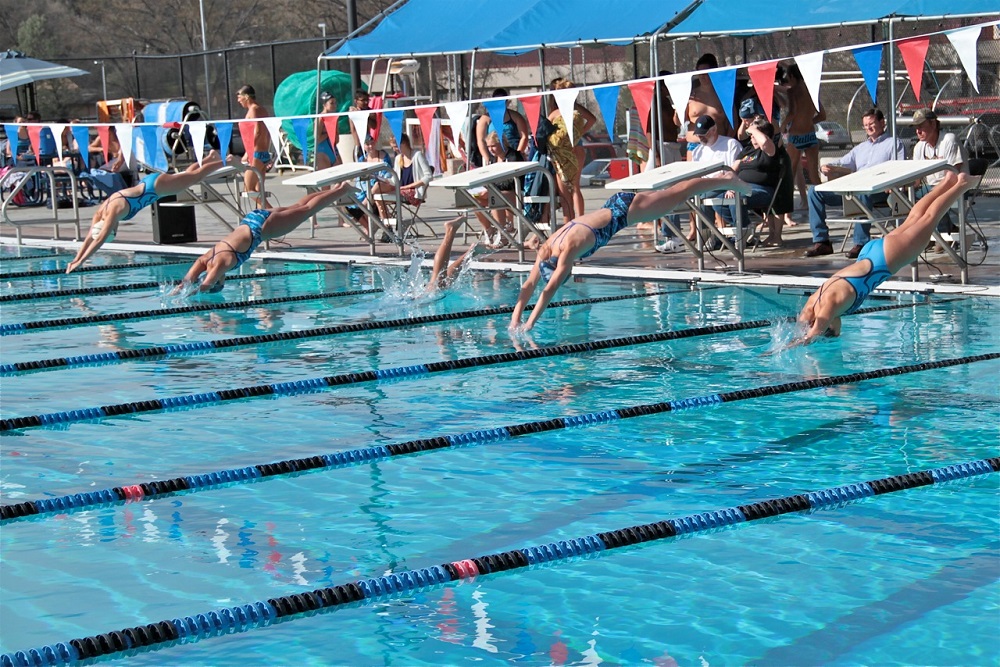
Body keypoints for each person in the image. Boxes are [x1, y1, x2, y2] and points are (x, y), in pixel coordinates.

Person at [509, 174, 753, 331]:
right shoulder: (548, 246)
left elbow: (548, 289)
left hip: (627, 212)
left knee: (680, 192)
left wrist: (530, 324)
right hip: (616, 203)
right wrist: (515, 319)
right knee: (675, 193)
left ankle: (725, 180)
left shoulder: (568, 250)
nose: (570, 273)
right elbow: (529, 285)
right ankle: (723, 180)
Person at [795, 171, 973, 344]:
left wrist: (804, 340)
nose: (840, 328)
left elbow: (813, 334)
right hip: (870, 253)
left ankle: (960, 185)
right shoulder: (811, 305)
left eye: (836, 331)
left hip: (884, 261)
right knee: (914, 217)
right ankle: (946, 183)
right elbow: (803, 325)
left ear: (829, 326)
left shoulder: (828, 308)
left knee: (929, 218)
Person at [66, 150, 235, 273]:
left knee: (196, 176)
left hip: (155, 188)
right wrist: (75, 260)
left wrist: (82, 261)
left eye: (112, 232)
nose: (113, 231)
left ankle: (227, 161)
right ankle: (210, 157)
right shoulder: (100, 213)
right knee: (187, 176)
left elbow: (99, 240)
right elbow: (90, 237)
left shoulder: (112, 213)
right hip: (151, 184)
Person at [178, 184, 356, 293]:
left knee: (307, 210)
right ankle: (338, 188)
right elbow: (187, 281)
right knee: (299, 206)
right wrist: (176, 292)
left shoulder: (220, 265)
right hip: (251, 218)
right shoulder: (205, 259)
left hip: (263, 228)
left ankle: (343, 189)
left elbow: (206, 285)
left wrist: (191, 298)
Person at [804, 108, 907, 259]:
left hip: (879, 191)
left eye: (871, 123)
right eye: (865, 125)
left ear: (882, 122)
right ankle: (822, 241)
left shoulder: (893, 144)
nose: (868, 128)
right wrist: (826, 166)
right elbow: (842, 162)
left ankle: (861, 242)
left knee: (862, 192)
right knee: (814, 191)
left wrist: (893, 184)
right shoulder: (860, 148)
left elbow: (901, 167)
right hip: (855, 190)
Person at [712, 119, 782, 240]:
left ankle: (742, 235)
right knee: (717, 201)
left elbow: (765, 142)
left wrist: (753, 128)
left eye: (753, 135)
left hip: (763, 190)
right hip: (741, 187)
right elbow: (732, 170)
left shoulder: (770, 149)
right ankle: (745, 230)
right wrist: (730, 185)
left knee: (736, 198)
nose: (751, 138)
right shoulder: (747, 151)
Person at [546, 78, 597, 224]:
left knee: (567, 188)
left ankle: (572, 220)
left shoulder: (555, 113)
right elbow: (592, 119)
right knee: (575, 187)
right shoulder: (576, 109)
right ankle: (579, 219)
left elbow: (546, 132)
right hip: (576, 147)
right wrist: (579, 133)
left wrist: (578, 134)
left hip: (567, 150)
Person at [910, 108, 967, 239]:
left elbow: (952, 176)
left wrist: (933, 191)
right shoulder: (919, 147)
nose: (918, 131)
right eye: (916, 127)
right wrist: (900, 187)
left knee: (931, 195)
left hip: (956, 186)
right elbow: (916, 179)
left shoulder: (949, 140)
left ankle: (941, 234)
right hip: (931, 188)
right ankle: (917, 236)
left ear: (934, 124)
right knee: (900, 198)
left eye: (921, 126)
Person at [689, 114, 742, 244]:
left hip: (726, 184)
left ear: (714, 130)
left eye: (704, 134)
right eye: (699, 135)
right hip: (705, 186)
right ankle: (672, 236)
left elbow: (738, 169)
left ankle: (709, 238)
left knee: (702, 197)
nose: (700, 137)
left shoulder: (730, 144)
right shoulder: (697, 151)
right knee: (677, 197)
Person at [778, 63, 825, 208]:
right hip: (810, 134)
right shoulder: (812, 90)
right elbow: (822, 115)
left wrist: (783, 125)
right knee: (814, 174)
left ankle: (787, 210)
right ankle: (820, 205)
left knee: (790, 173)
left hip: (797, 136)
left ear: (792, 76)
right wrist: (809, 121)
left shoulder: (793, 92)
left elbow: (792, 113)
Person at [236, 84, 271, 207]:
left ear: (246, 97)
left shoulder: (254, 110)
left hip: (255, 154)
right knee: (258, 191)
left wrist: (248, 153)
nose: (238, 100)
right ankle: (266, 220)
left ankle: (273, 213)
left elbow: (257, 132)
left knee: (249, 190)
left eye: (239, 97)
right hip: (263, 154)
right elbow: (267, 133)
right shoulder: (263, 109)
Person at [476, 88, 529, 162]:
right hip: (494, 155)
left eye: (502, 101)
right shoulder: (485, 119)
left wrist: (517, 155)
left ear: (507, 102)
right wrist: (488, 159)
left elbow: (524, 137)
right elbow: (480, 140)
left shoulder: (516, 116)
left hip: (513, 152)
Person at [314, 91, 341, 172]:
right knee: (326, 183)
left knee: (342, 180)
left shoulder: (334, 118)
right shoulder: (320, 118)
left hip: (334, 150)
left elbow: (337, 140)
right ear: (324, 105)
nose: (334, 105)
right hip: (323, 151)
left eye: (335, 103)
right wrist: (329, 133)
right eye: (332, 103)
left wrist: (333, 132)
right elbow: (317, 138)